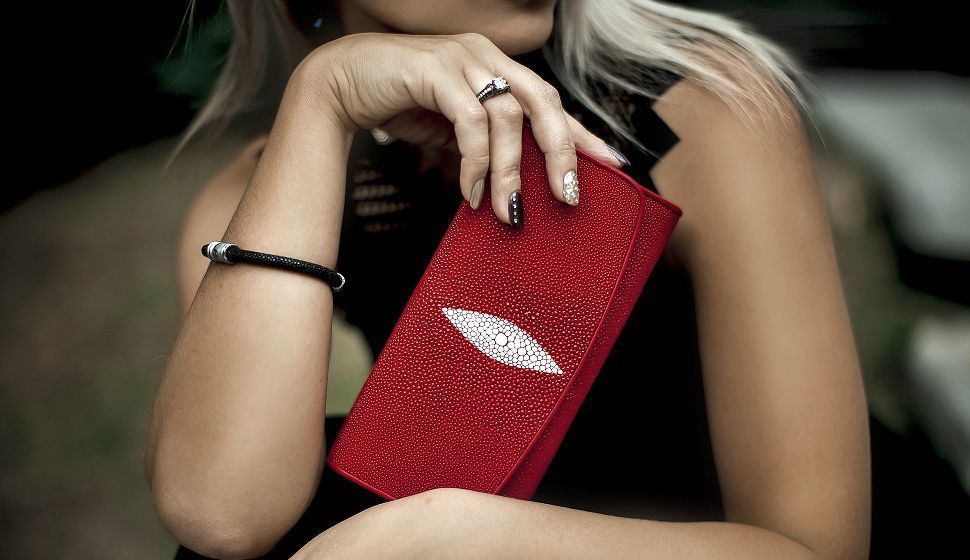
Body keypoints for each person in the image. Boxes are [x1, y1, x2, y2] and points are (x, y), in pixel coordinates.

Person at [144, 1, 871, 558]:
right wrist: (322, 99)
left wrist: (463, 535)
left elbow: (815, 550)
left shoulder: (700, 110)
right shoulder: (252, 193)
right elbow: (222, 519)